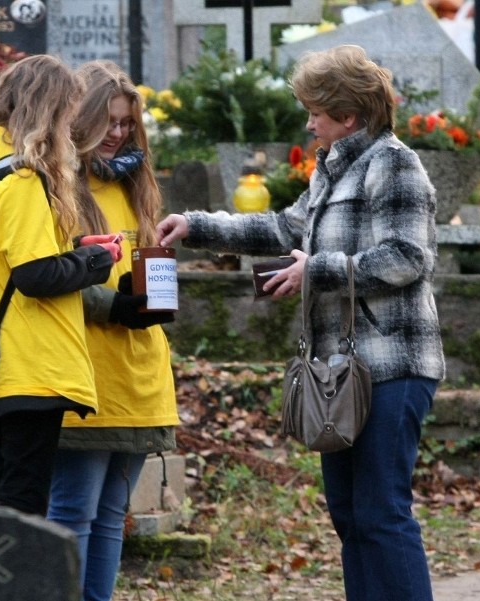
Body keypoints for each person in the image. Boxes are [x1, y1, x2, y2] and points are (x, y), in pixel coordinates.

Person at [156, 45, 445, 601]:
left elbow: (406, 258)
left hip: (395, 367)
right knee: (350, 517)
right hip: (339, 369)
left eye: (315, 111)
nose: (308, 121)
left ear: (348, 116)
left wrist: (320, 270)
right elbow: (285, 228)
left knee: (382, 513)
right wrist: (195, 226)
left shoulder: (395, 163)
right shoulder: (334, 167)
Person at [0, 54, 119, 516]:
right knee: (24, 500)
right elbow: (35, 276)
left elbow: (8, 256)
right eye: (68, 114)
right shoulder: (23, 177)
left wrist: (73, 246)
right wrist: (95, 259)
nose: (71, 127)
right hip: (32, 361)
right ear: (49, 112)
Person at [46, 61, 180, 601]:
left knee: (109, 517)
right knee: (72, 513)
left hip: (138, 376)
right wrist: (117, 307)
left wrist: (158, 294)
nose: (119, 134)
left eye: (127, 124)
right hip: (84, 376)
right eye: (109, 122)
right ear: (79, 122)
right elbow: (48, 276)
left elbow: (145, 268)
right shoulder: (58, 188)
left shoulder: (135, 185)